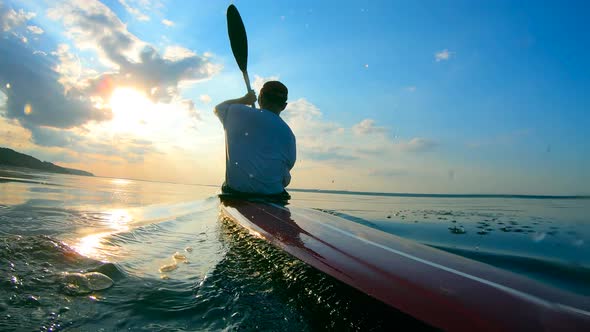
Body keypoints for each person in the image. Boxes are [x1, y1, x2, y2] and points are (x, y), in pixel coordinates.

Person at [214, 81, 296, 199]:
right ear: (284, 106)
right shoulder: (290, 135)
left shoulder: (238, 112)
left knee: (225, 185)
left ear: (260, 99)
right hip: (273, 196)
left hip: (236, 194)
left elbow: (218, 108)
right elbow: (285, 174)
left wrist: (244, 100)